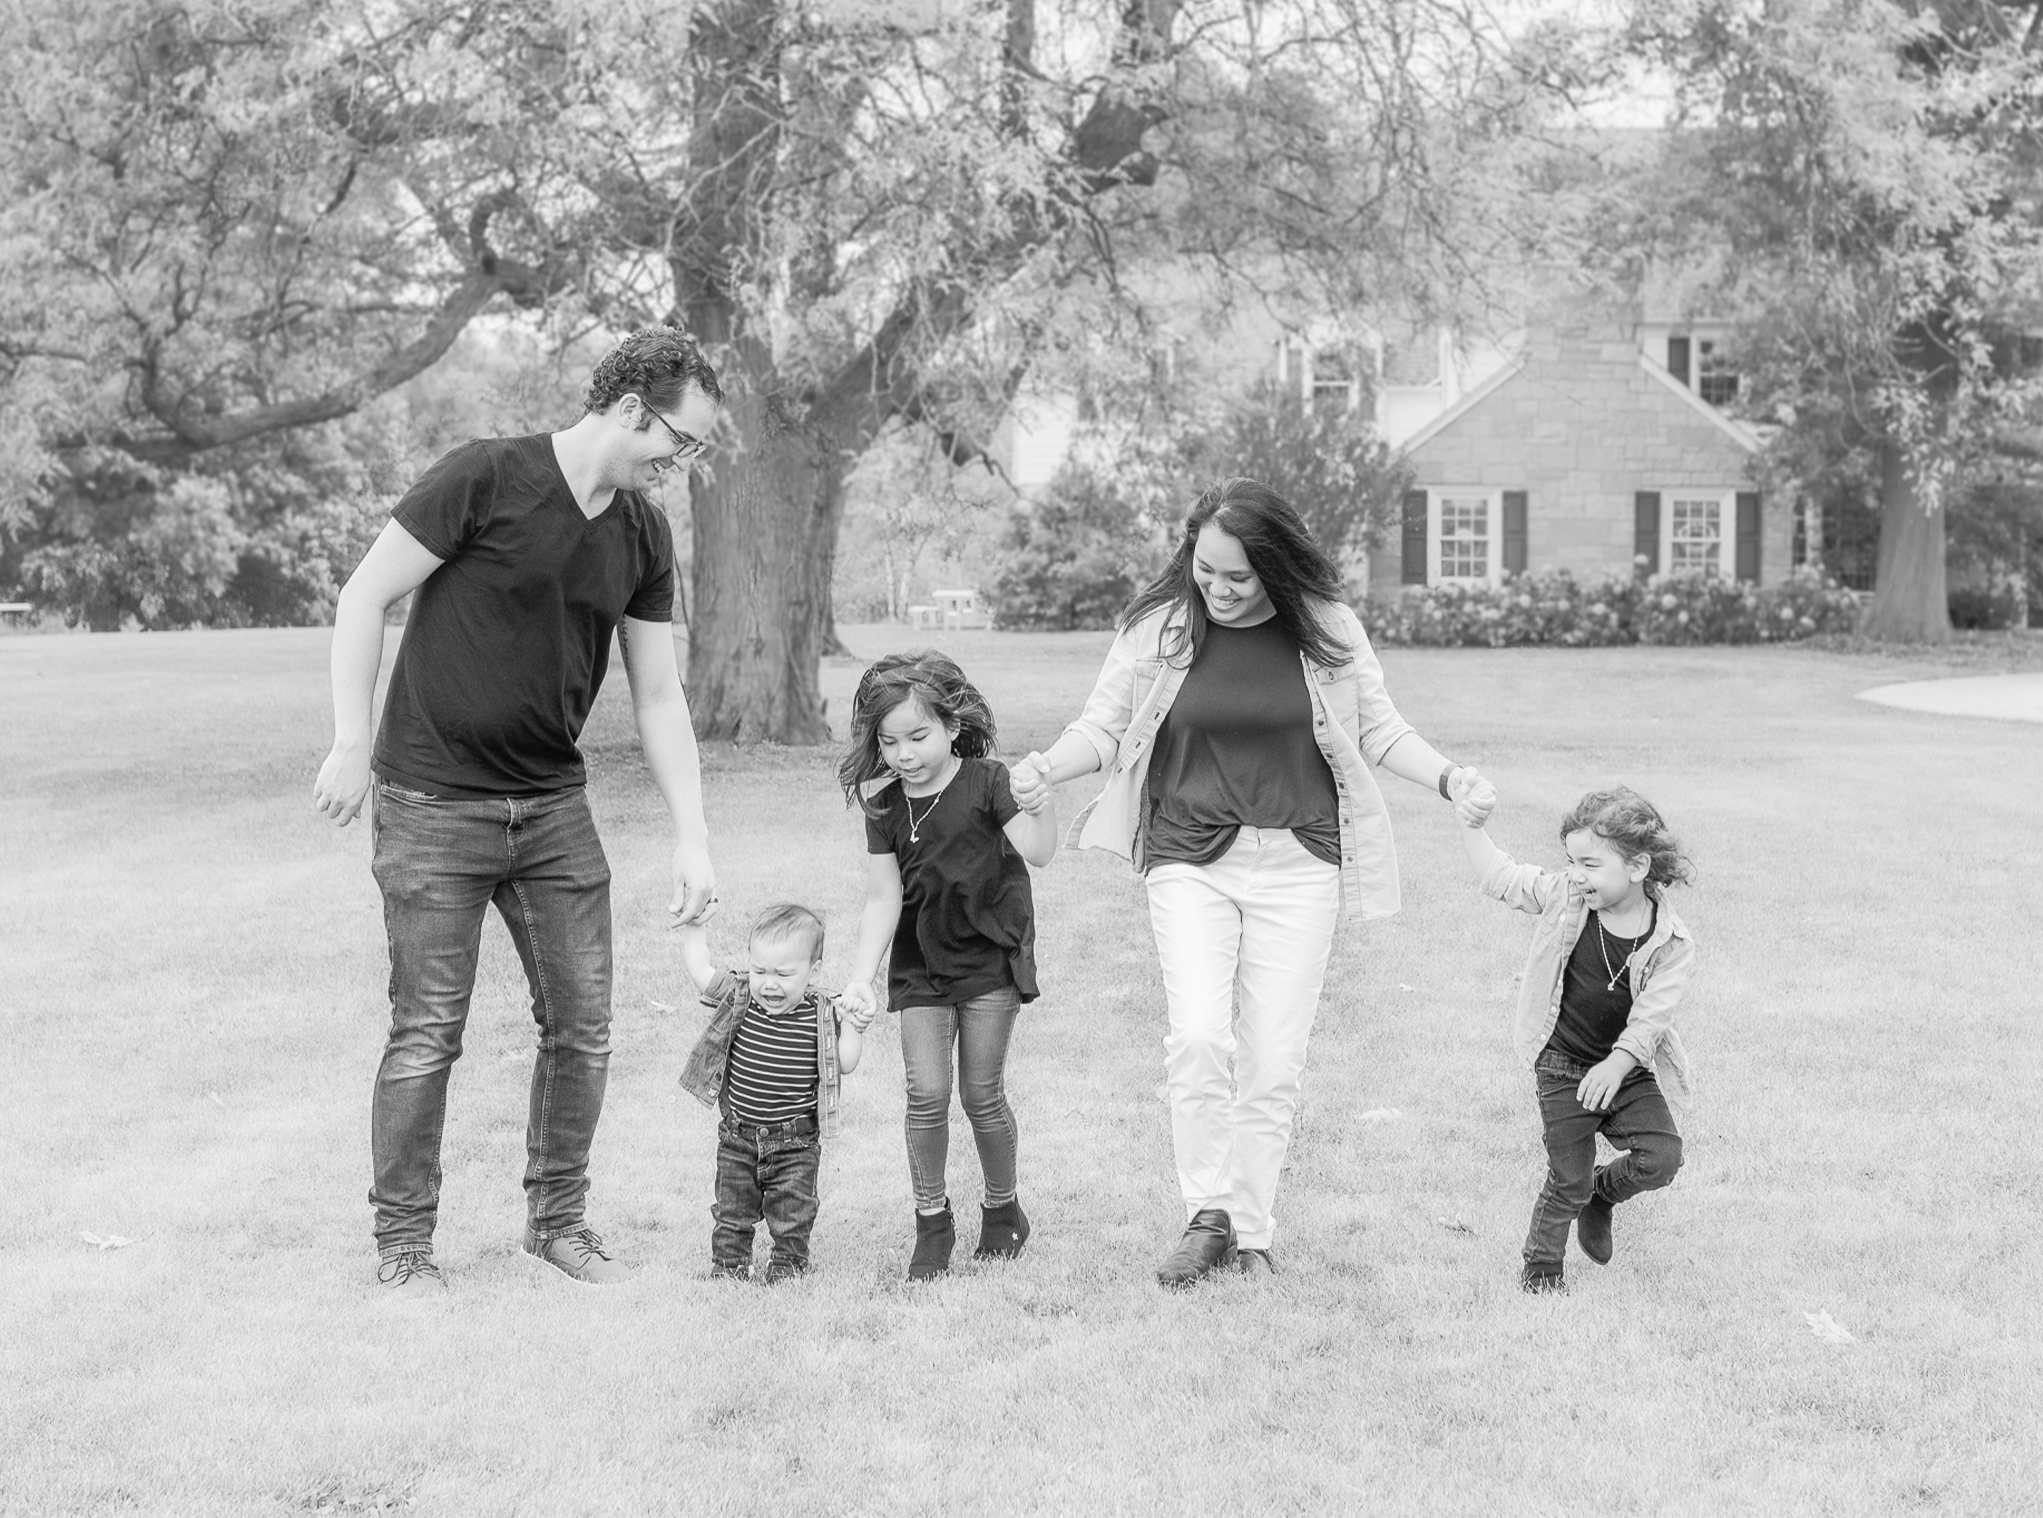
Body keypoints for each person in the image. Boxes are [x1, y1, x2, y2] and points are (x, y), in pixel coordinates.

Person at [312, 326, 722, 1293]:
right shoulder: (484, 477)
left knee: (584, 1027)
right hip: (431, 804)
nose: (681, 462)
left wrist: (693, 836)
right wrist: (346, 741)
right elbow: (364, 596)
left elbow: (659, 697)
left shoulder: (640, 532)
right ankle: (403, 1246)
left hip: (551, 811)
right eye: (680, 439)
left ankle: (558, 1223)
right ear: (630, 410)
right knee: (427, 1031)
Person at [1009, 477, 1492, 1288]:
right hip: (1187, 855)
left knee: (1272, 1056)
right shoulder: (1159, 628)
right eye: (1206, 572)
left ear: (1278, 567)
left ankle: (1252, 1229)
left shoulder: (1327, 628)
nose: (1219, 591)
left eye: (1239, 576)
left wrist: (1450, 780)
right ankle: (1207, 1215)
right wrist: (1043, 769)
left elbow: (1377, 727)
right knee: (1197, 1036)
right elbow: (1103, 725)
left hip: (1299, 861)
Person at [838, 652, 1060, 1281]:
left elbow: (1040, 853)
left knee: (980, 1095)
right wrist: (862, 974)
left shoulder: (990, 782)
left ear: (952, 726)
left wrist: (1039, 803)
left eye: (917, 736)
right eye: (888, 741)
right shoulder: (883, 805)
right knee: (925, 1094)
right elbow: (884, 896)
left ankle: (1001, 1209)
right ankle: (932, 1221)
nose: (903, 754)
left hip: (990, 960)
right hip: (920, 968)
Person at [1458, 785, 1696, 1293]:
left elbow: (1651, 1018)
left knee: (1663, 1157)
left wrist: (1617, 1066)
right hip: (1562, 1064)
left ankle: (1602, 1196)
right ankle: (1542, 1272)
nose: (1575, 875)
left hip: (1624, 1068)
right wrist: (1473, 827)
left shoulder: (1670, 943)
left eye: (1589, 864)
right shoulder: (1566, 896)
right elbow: (1501, 877)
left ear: (1636, 867)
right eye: (1571, 861)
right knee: (1567, 1177)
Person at [673, 903, 872, 1282]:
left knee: (794, 1211)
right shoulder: (741, 997)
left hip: (795, 1142)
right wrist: (695, 926)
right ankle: (729, 1263)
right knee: (732, 1209)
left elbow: (845, 1062)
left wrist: (854, 1028)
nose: (769, 983)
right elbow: (701, 972)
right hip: (738, 1137)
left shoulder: (821, 1013)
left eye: (783, 974)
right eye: (760, 970)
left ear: (812, 973)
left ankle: (788, 1262)